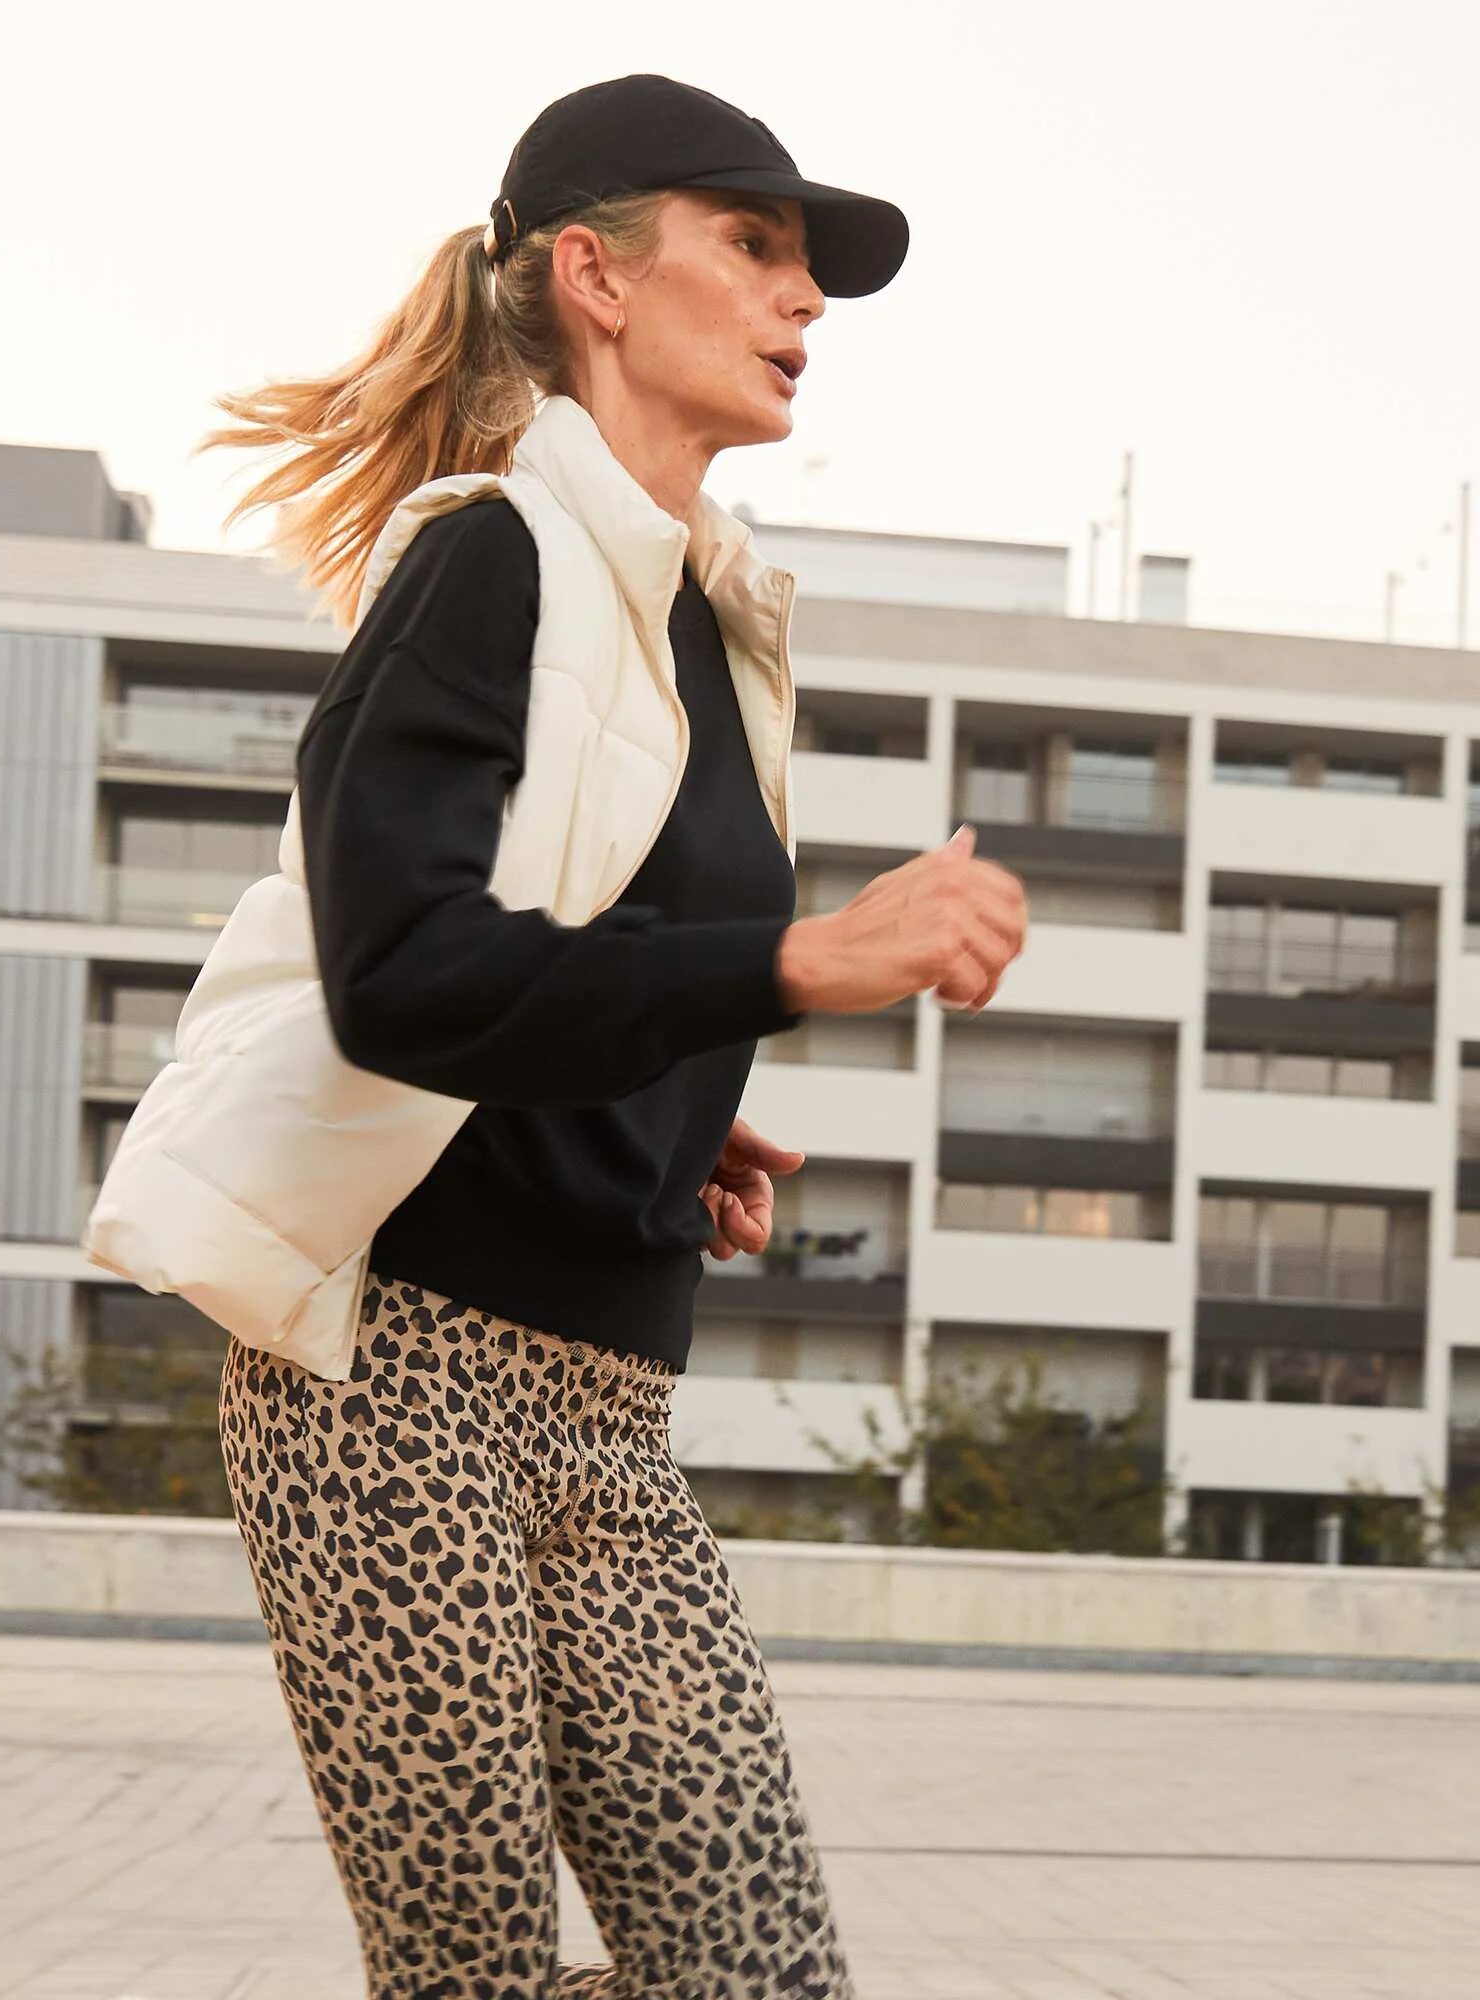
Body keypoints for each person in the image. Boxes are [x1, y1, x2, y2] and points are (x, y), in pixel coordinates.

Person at [203, 74, 1027, 2000]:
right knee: (474, 1981)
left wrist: (659, 1108)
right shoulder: (484, 561)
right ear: (596, 273)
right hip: (390, 1388)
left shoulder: (713, 630)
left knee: (759, 1976)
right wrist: (790, 967)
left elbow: (582, 939)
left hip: (612, 1413)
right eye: (753, 246)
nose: (802, 300)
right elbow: (401, 972)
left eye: (806, 268)